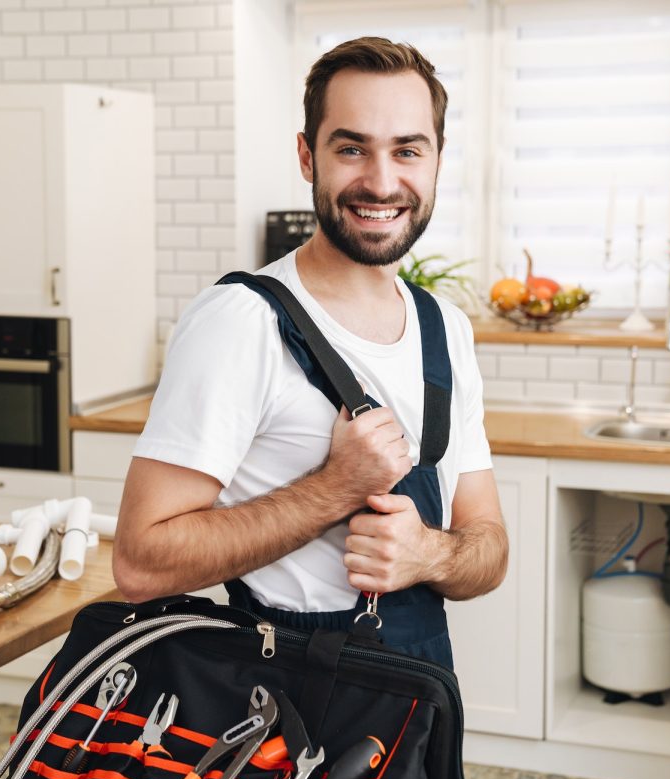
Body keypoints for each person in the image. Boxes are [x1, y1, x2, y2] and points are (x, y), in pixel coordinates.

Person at [113, 36, 507, 669]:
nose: (381, 182)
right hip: (285, 718)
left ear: (436, 161)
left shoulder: (447, 328)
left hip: (421, 700)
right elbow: (139, 562)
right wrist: (334, 488)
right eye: (351, 149)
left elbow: (489, 549)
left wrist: (429, 554)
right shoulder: (241, 321)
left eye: (407, 150)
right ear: (307, 156)